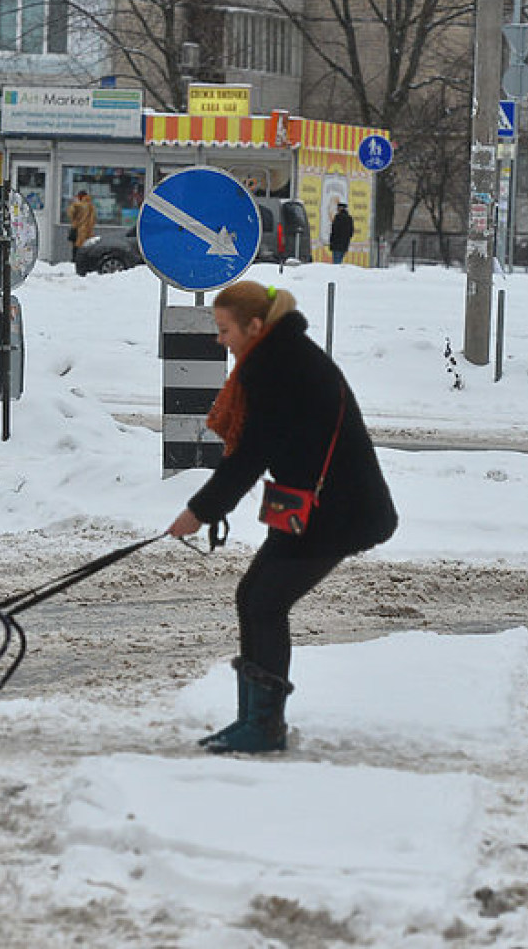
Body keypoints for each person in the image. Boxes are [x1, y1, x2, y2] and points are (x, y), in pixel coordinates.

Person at [167, 281, 398, 755]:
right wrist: (204, 509)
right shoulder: (281, 354)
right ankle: (255, 721)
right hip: (317, 504)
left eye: (225, 329)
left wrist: (200, 511)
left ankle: (263, 727)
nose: (219, 340)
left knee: (265, 602)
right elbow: (266, 447)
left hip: (338, 511)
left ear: (254, 326)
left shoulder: (278, 366)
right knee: (254, 596)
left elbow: (253, 453)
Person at [67, 189, 96, 263]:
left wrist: (72, 204)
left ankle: (76, 260)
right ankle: (83, 260)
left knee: (77, 246)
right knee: (86, 246)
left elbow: (70, 214)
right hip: (87, 229)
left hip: (78, 229)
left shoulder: (77, 205)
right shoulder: (91, 205)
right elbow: (93, 219)